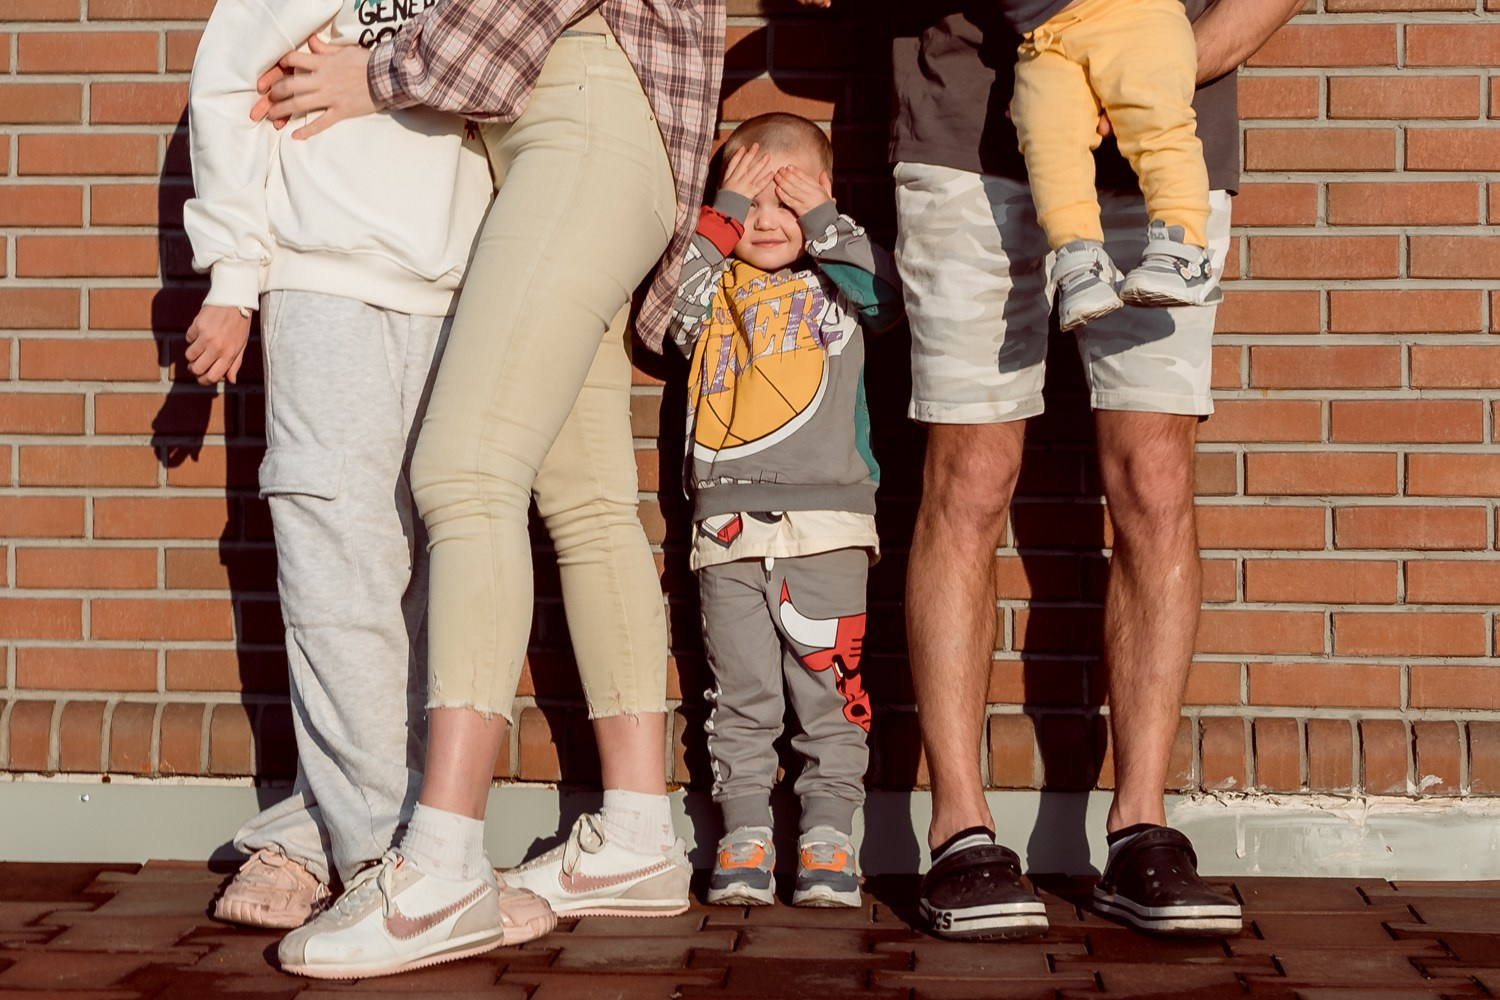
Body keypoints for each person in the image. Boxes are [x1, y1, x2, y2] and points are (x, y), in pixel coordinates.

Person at [247, 0, 725, 980]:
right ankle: (639, 833)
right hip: (571, 133)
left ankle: (441, 867)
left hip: (578, 119)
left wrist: (377, 73)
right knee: (585, 498)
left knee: (465, 471)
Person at [879, 0, 1302, 940]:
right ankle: (959, 831)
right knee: (970, 471)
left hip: (1162, 143)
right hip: (968, 132)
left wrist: (1141, 71)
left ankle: (1141, 825)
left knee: (1154, 477)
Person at [180, 0, 502, 932]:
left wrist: (380, 77)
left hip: (467, 293)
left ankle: (319, 830)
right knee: (335, 565)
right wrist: (234, 274)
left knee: (435, 579)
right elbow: (227, 82)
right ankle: (375, 856)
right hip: (325, 281)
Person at [666, 114, 904, 908]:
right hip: (726, 529)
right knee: (740, 697)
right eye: (749, 204)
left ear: (820, 196)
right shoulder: (714, 285)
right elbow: (664, 321)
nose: (765, 222)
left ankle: (829, 835)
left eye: (784, 199)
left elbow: (890, 300)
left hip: (829, 524)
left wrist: (824, 218)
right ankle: (745, 834)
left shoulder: (838, 280)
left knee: (830, 694)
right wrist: (720, 216)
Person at [1007, 0, 1218, 331]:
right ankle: (1080, 258)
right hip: (1046, 37)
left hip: (1130, 12)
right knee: (1048, 141)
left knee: (1156, 126)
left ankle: (1185, 250)